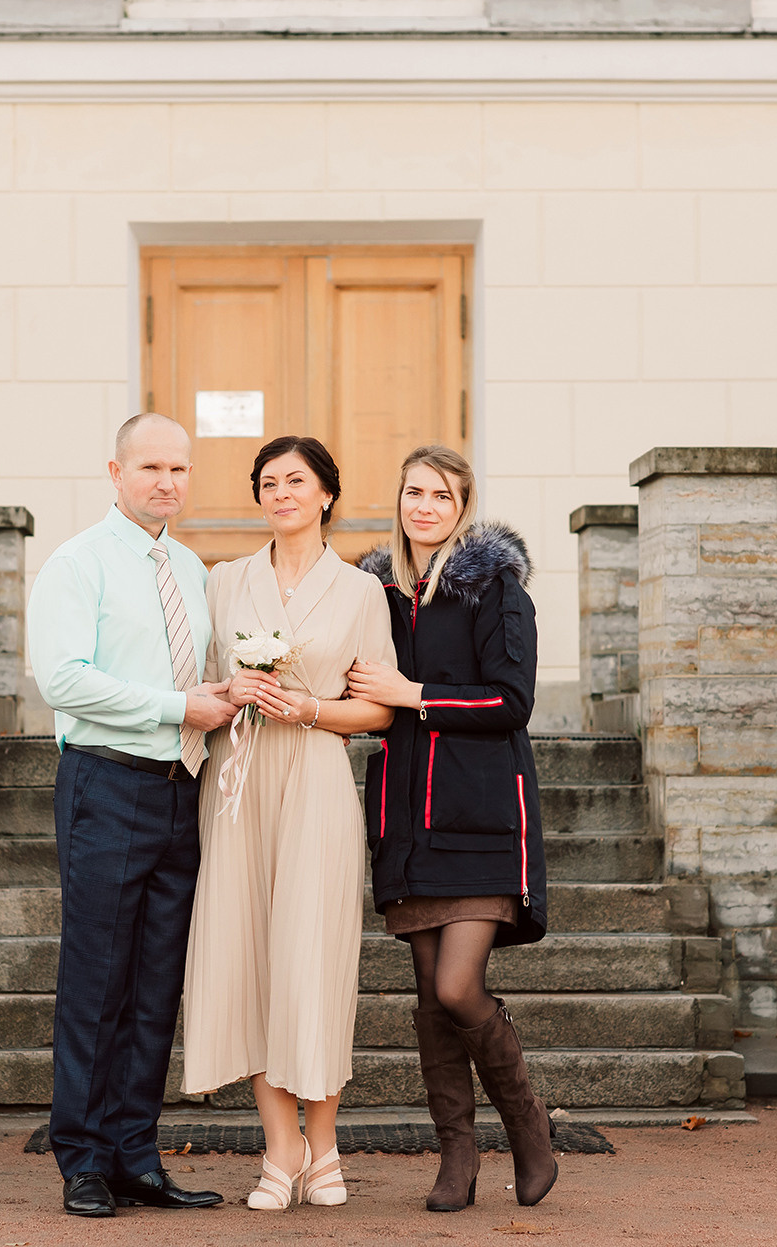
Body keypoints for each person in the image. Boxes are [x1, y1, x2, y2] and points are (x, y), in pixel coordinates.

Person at [25, 413, 241, 1218]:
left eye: (180, 469)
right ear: (114, 471)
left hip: (180, 789)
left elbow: (190, 672)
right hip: (106, 784)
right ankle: (81, 1155)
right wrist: (175, 705)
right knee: (97, 978)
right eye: (151, 466)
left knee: (157, 980)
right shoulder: (77, 564)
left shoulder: (188, 567)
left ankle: (135, 1153)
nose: (168, 482)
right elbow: (65, 680)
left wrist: (217, 699)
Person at [179, 435, 397, 1212]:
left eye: (296, 480)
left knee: (314, 958)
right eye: (268, 482)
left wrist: (310, 706)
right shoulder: (225, 580)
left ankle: (326, 1143)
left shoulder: (361, 592)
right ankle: (279, 1149)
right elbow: (197, 681)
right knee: (252, 958)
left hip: (316, 774)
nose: (282, 493)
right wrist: (231, 689)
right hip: (239, 780)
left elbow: (379, 705)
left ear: (327, 494)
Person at [348, 444, 556, 1211]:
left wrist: (413, 692)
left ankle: (529, 1123)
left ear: (463, 505)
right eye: (413, 492)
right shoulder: (375, 594)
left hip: (479, 818)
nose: (424, 506)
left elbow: (511, 700)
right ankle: (457, 1157)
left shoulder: (495, 589)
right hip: (406, 820)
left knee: (458, 984)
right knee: (429, 1001)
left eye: (440, 494)